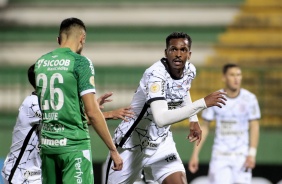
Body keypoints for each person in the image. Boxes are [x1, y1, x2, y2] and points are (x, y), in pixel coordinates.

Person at [105, 32, 227, 184]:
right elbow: (161, 118)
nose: (178, 54)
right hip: (132, 145)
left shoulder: (190, 70)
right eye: (173, 49)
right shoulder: (155, 75)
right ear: (166, 52)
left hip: (161, 144)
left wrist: (193, 119)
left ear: (189, 54)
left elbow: (183, 90)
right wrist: (202, 103)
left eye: (183, 50)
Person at [1, 64, 132, 184]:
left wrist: (92, 109)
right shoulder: (33, 103)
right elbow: (69, 121)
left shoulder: (49, 103)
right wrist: (106, 115)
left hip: (38, 174)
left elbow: (69, 123)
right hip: (21, 175)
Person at [34, 17, 123, 184]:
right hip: (74, 147)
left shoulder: (41, 63)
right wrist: (113, 149)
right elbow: (92, 113)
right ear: (82, 38)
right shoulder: (81, 63)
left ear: (58, 39)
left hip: (48, 145)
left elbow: (56, 106)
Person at [188, 63, 261, 184]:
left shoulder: (250, 99)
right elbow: (205, 127)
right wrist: (195, 154)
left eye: (238, 74)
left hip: (241, 156)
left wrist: (252, 153)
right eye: (232, 75)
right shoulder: (215, 98)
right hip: (220, 155)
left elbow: (254, 126)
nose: (236, 78)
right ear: (224, 77)